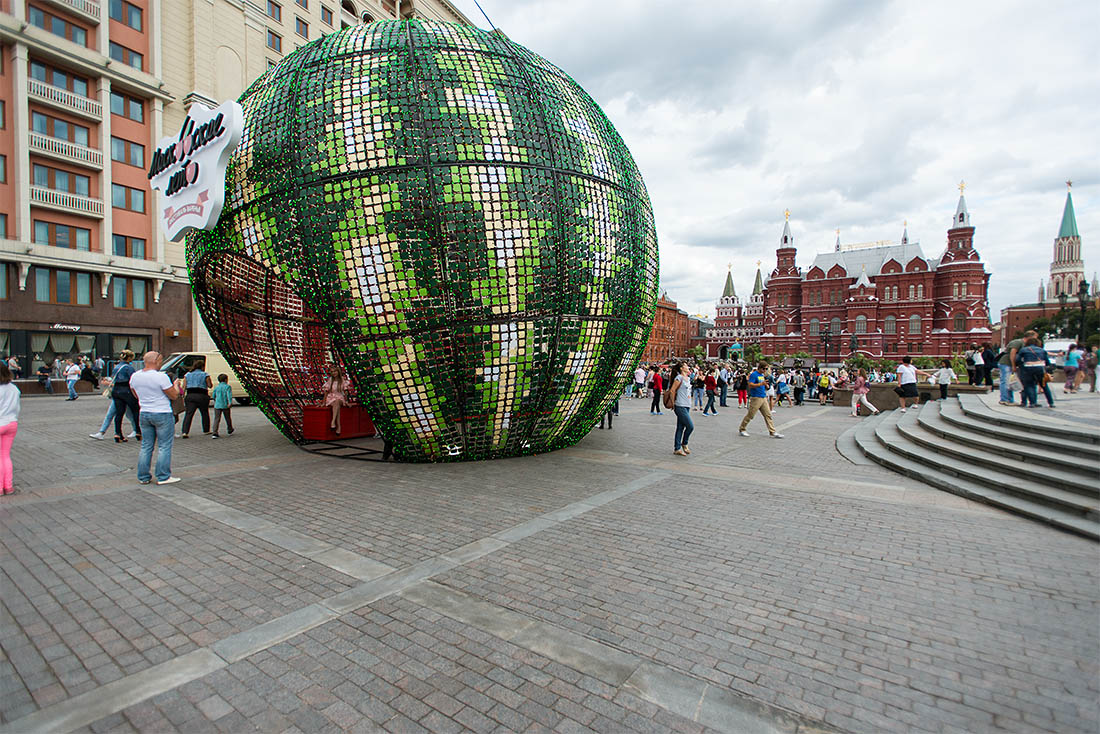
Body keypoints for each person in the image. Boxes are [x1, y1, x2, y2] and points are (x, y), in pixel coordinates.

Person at [131, 351, 181, 485]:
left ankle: (143, 476)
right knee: (164, 446)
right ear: (157, 361)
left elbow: (135, 394)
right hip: (162, 412)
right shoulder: (161, 377)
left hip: (144, 412)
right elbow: (174, 395)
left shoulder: (135, 376)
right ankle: (163, 476)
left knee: (146, 446)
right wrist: (176, 385)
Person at [739, 361, 783, 439]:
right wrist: (761, 384)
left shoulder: (762, 375)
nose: (765, 370)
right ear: (760, 367)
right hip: (756, 397)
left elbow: (763, 384)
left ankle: (772, 431)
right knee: (751, 415)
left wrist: (765, 385)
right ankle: (742, 428)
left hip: (763, 397)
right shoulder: (754, 374)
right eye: (764, 368)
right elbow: (750, 385)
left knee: (768, 415)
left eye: (766, 369)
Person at [110, 351, 141, 442]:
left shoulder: (116, 367)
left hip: (116, 390)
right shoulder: (128, 368)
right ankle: (138, 431)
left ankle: (118, 433)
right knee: (135, 411)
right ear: (129, 358)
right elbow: (133, 380)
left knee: (119, 413)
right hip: (126, 390)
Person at [178, 360, 213, 438]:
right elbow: (210, 385)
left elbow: (184, 387)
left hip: (190, 395)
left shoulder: (187, 375)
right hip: (202, 395)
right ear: (202, 366)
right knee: (204, 413)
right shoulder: (205, 374)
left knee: (189, 414)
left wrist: (183, 396)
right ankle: (206, 430)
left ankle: (185, 431)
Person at [0, 364, 19, 495]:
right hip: (12, 423)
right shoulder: (14, 388)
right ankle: (8, 486)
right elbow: (17, 407)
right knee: (5, 456)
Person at [1015, 337, 1050, 408]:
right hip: (1040, 368)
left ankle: (1032, 403)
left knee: (1029, 385)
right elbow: (1047, 361)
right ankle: (1051, 402)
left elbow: (1018, 360)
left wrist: (1021, 365)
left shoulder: (1023, 350)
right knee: (1044, 385)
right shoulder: (1042, 350)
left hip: (1028, 368)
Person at [670, 361, 694, 456]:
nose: (688, 367)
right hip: (679, 405)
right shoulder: (679, 378)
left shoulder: (688, 378)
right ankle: (684, 443)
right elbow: (672, 390)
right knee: (690, 426)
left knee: (680, 427)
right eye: (686, 366)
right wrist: (673, 403)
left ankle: (677, 448)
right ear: (681, 368)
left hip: (687, 405)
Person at [997, 334, 1027, 405]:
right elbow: (1012, 353)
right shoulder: (1018, 342)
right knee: (1005, 381)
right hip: (1006, 363)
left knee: (1009, 382)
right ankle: (1005, 399)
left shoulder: (1021, 343)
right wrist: (1013, 365)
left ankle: (1009, 399)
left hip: (1007, 363)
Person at [322, 365, 348, 434]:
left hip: (340, 398)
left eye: (335, 371)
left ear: (338, 371)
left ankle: (333, 422)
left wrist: (347, 401)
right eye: (332, 372)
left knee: (337, 402)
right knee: (336, 406)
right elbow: (326, 392)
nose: (334, 373)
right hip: (331, 398)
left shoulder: (342, 380)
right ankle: (338, 426)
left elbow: (345, 392)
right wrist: (323, 402)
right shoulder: (330, 380)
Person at [211, 374, 235, 438]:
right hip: (225, 405)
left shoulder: (217, 387)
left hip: (217, 405)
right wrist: (230, 403)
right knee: (227, 418)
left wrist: (215, 400)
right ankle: (230, 429)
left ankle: (215, 432)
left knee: (217, 418)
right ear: (225, 380)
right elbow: (229, 395)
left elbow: (213, 395)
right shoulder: (227, 387)